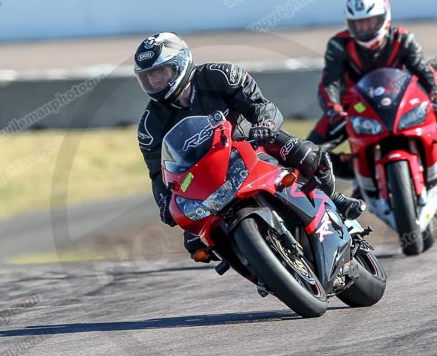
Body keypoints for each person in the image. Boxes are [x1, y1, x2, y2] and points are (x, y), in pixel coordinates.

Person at [134, 32, 364, 261]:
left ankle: (335, 199)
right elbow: (159, 172)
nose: (156, 82)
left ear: (180, 63)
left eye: (161, 73)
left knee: (306, 154)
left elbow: (260, 105)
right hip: (205, 176)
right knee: (195, 243)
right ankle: (257, 266)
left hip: (252, 144)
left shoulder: (220, 75)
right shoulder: (149, 125)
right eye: (149, 77)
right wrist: (164, 202)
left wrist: (264, 125)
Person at [307, 0, 437, 186]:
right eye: (359, 24)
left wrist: (436, 92)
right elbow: (330, 83)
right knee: (308, 151)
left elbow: (424, 70)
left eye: (370, 22)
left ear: (384, 17)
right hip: (355, 107)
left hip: (399, 101)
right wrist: (334, 109)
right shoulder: (338, 45)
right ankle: (354, 167)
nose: (365, 29)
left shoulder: (403, 38)